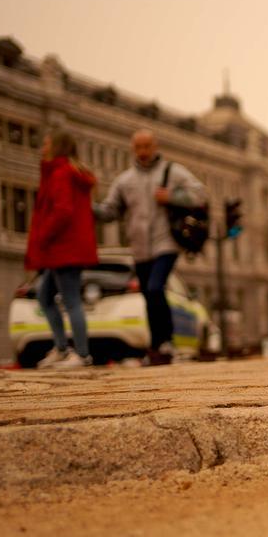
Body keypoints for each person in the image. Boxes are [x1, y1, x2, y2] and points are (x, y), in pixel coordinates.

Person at [93, 128, 206, 366]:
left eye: (147, 146)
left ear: (155, 147)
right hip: (140, 247)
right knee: (148, 295)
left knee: (155, 288)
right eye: (138, 147)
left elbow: (200, 195)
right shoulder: (125, 181)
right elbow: (110, 211)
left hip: (166, 243)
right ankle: (156, 347)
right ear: (133, 149)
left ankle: (166, 342)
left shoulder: (172, 172)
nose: (143, 152)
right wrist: (86, 206)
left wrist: (173, 196)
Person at [25, 130, 98, 369]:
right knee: (45, 296)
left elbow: (62, 211)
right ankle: (61, 348)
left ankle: (82, 354)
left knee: (71, 300)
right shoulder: (69, 172)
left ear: (57, 146)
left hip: (64, 248)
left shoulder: (61, 173)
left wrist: (43, 236)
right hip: (66, 247)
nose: (42, 148)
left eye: (46, 143)